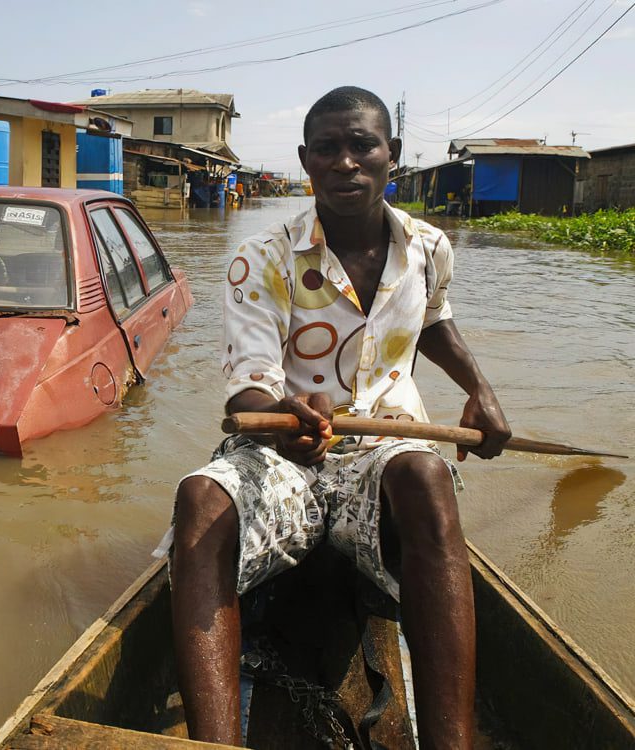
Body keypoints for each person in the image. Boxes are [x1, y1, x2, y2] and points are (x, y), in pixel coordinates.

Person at [157, 86, 511, 749]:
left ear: (392, 156)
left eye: (362, 145)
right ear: (306, 161)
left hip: (383, 457)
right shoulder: (261, 259)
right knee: (199, 498)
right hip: (288, 458)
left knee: (428, 484)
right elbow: (247, 391)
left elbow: (431, 320)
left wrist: (479, 389)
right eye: (328, 149)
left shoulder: (430, 248)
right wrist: (285, 417)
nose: (346, 162)